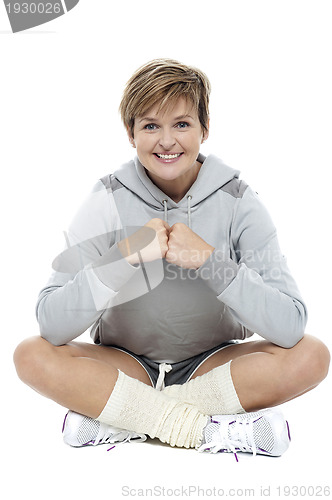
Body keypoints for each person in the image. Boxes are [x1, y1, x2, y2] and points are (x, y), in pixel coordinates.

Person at [14, 58, 330, 459]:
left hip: (213, 365)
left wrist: (211, 261)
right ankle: (202, 428)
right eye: (150, 126)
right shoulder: (105, 199)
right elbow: (51, 323)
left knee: (312, 356)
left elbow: (291, 324)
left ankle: (124, 418)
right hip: (124, 365)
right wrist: (122, 258)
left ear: (205, 128)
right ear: (131, 134)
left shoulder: (239, 201)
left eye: (181, 124)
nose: (167, 141)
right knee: (31, 355)